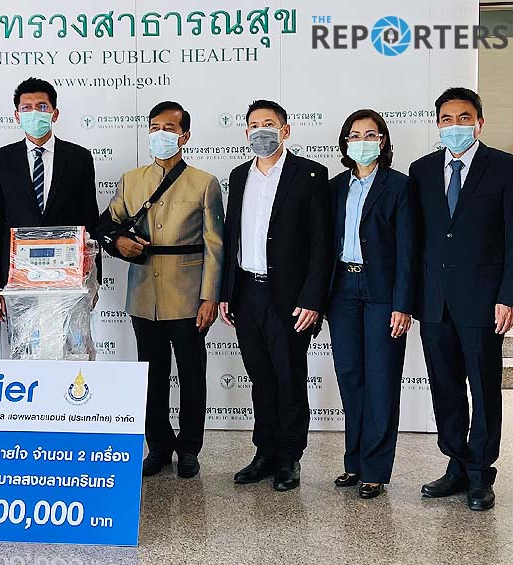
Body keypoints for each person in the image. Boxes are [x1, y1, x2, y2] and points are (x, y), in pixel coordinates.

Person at [100, 101, 224, 479]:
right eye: (155, 127)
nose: (161, 134)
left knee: (191, 375)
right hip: (143, 294)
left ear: (185, 136)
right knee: (151, 376)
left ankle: (189, 448)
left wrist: (210, 297)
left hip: (188, 294)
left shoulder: (204, 183)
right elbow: (108, 226)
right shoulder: (131, 180)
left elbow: (215, 245)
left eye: (169, 128)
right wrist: (118, 243)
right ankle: (157, 445)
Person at [410, 87, 513, 511]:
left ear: (479, 122)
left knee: (485, 388)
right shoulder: (421, 170)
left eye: (464, 117)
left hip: (484, 301)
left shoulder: (506, 168)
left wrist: (510, 296)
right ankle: (456, 464)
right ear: (437, 124)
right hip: (434, 301)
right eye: (447, 119)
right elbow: (417, 240)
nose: (454, 126)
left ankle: (480, 474)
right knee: (445, 386)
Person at [219, 100, 332, 491]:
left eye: (269, 123)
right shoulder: (239, 175)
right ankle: (264, 453)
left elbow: (321, 243)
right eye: (254, 125)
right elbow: (231, 237)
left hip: (289, 296)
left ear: (285, 130)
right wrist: (226, 292)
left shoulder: (310, 174)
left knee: (289, 378)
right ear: (245, 132)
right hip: (246, 292)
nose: (261, 131)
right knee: (261, 379)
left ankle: (289, 457)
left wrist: (313, 299)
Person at [326, 110, 415, 499]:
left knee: (381, 379)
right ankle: (354, 462)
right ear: (345, 142)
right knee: (350, 377)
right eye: (355, 135)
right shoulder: (334, 187)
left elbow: (408, 251)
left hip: (382, 292)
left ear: (383, 141)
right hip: (342, 289)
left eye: (370, 134)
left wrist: (403, 304)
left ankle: (375, 470)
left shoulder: (400, 186)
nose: (362, 141)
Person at [0, 77, 100, 317]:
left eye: (42, 106)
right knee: (23, 340)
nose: (34, 113)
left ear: (55, 114)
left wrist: (93, 280)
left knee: (68, 340)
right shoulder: (0, 160)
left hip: (69, 278)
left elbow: (90, 219)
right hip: (17, 278)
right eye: (26, 107)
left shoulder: (79, 158)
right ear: (17, 116)